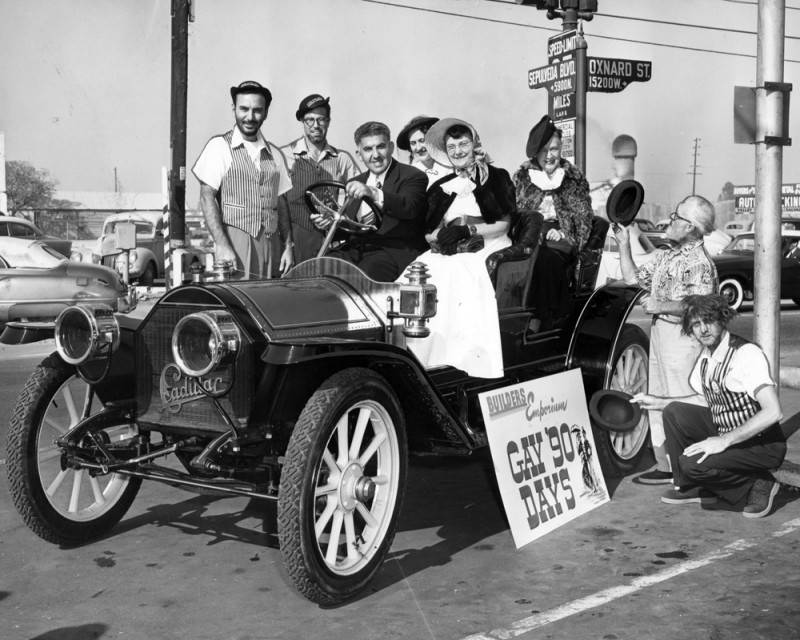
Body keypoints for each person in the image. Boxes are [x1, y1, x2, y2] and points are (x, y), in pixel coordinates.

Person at [632, 294, 785, 518]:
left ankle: (758, 482)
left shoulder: (745, 354)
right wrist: (659, 402)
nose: (703, 329)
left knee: (691, 464)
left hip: (762, 444)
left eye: (708, 321)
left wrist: (723, 441)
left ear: (722, 319)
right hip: (729, 431)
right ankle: (691, 487)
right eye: (696, 324)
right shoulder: (706, 357)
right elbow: (704, 399)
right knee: (674, 411)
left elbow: (773, 411)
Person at [614, 195, 718, 484]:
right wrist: (624, 245)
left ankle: (691, 470)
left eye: (676, 217)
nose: (670, 221)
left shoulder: (700, 263)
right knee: (657, 398)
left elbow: (700, 305)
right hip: (661, 334)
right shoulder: (667, 255)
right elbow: (633, 279)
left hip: (683, 339)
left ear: (690, 227)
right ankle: (667, 465)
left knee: (679, 402)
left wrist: (660, 306)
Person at [404, 117, 516, 379]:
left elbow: (503, 224)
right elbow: (428, 231)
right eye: (452, 147)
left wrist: (469, 230)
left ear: (473, 144)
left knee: (459, 272)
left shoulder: (495, 177)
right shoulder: (441, 187)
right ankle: (420, 353)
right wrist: (440, 239)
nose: (458, 152)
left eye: (463, 144)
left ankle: (462, 358)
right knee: (419, 271)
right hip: (452, 246)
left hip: (489, 241)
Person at [193, 81, 293, 279]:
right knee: (239, 302)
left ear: (265, 113)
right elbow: (207, 197)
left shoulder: (275, 153)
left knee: (267, 303)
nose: (250, 117)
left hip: (271, 244)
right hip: (235, 241)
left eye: (257, 110)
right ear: (234, 109)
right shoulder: (219, 146)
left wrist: (288, 246)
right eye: (244, 109)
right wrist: (222, 245)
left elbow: (281, 203)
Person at [324, 121, 427, 281]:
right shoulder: (354, 181)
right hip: (357, 251)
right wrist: (328, 223)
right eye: (368, 149)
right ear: (359, 154)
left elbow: (408, 207)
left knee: (363, 275)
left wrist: (372, 192)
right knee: (322, 266)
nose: (375, 155)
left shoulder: (413, 176)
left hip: (392, 253)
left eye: (380, 147)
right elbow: (350, 227)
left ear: (391, 147)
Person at [279, 94, 359, 263]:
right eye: (310, 120)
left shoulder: (342, 159)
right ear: (302, 121)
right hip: (296, 241)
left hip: (332, 240)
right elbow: (278, 203)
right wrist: (286, 246)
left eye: (321, 119)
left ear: (328, 121)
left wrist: (336, 217)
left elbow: (357, 200)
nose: (316, 125)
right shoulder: (284, 156)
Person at [396, 115, 451, 186]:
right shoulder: (409, 174)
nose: (418, 148)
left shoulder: (450, 167)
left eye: (422, 140)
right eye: (413, 143)